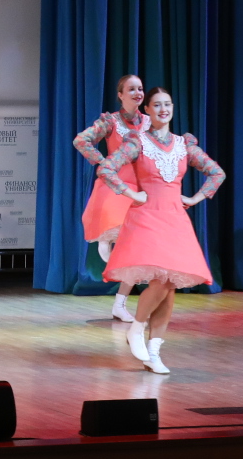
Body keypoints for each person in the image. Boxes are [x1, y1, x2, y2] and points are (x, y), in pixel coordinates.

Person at [96, 87, 225, 374]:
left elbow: (217, 172)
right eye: (156, 105)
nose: (163, 109)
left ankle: (154, 351)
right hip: (146, 217)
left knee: (170, 285)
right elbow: (106, 168)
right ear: (148, 110)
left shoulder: (184, 144)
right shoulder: (138, 142)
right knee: (161, 280)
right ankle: (136, 329)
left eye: (167, 104)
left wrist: (195, 198)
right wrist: (131, 194)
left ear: (173, 108)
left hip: (175, 219)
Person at [73, 74, 150, 321]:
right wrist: (104, 161)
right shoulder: (111, 122)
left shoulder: (149, 122)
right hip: (116, 187)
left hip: (141, 189)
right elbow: (81, 140)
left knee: (136, 248)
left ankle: (120, 303)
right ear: (120, 95)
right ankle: (108, 241)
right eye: (131, 89)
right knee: (119, 240)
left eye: (140, 89)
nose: (137, 93)